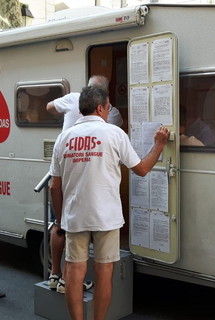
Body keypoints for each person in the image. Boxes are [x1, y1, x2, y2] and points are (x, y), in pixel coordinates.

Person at [49, 86, 169, 320]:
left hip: (75, 216)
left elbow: (55, 186)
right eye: (108, 107)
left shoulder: (63, 138)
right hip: (106, 216)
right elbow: (142, 169)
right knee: (104, 273)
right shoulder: (114, 134)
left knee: (74, 271)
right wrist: (159, 144)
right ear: (100, 107)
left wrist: (60, 220)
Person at [46, 75, 123, 294]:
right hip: (93, 182)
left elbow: (49, 105)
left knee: (60, 224)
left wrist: (62, 112)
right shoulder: (112, 114)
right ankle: (68, 281)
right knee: (84, 237)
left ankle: (55, 275)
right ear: (105, 98)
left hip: (66, 172)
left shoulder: (72, 99)